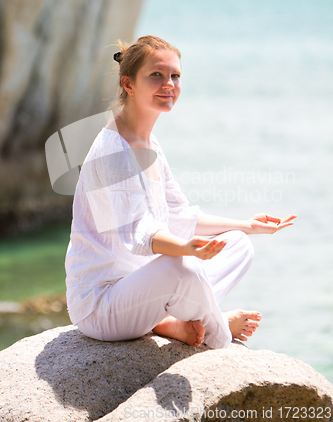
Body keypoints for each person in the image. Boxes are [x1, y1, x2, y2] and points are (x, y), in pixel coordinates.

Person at [65, 35, 296, 349]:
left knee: (237, 245)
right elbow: (141, 234)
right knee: (180, 265)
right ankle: (220, 334)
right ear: (129, 85)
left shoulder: (149, 143)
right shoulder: (113, 152)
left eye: (175, 75)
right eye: (156, 75)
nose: (169, 84)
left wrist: (246, 225)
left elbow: (180, 215)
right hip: (101, 305)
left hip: (139, 290)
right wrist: (188, 249)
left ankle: (172, 321)